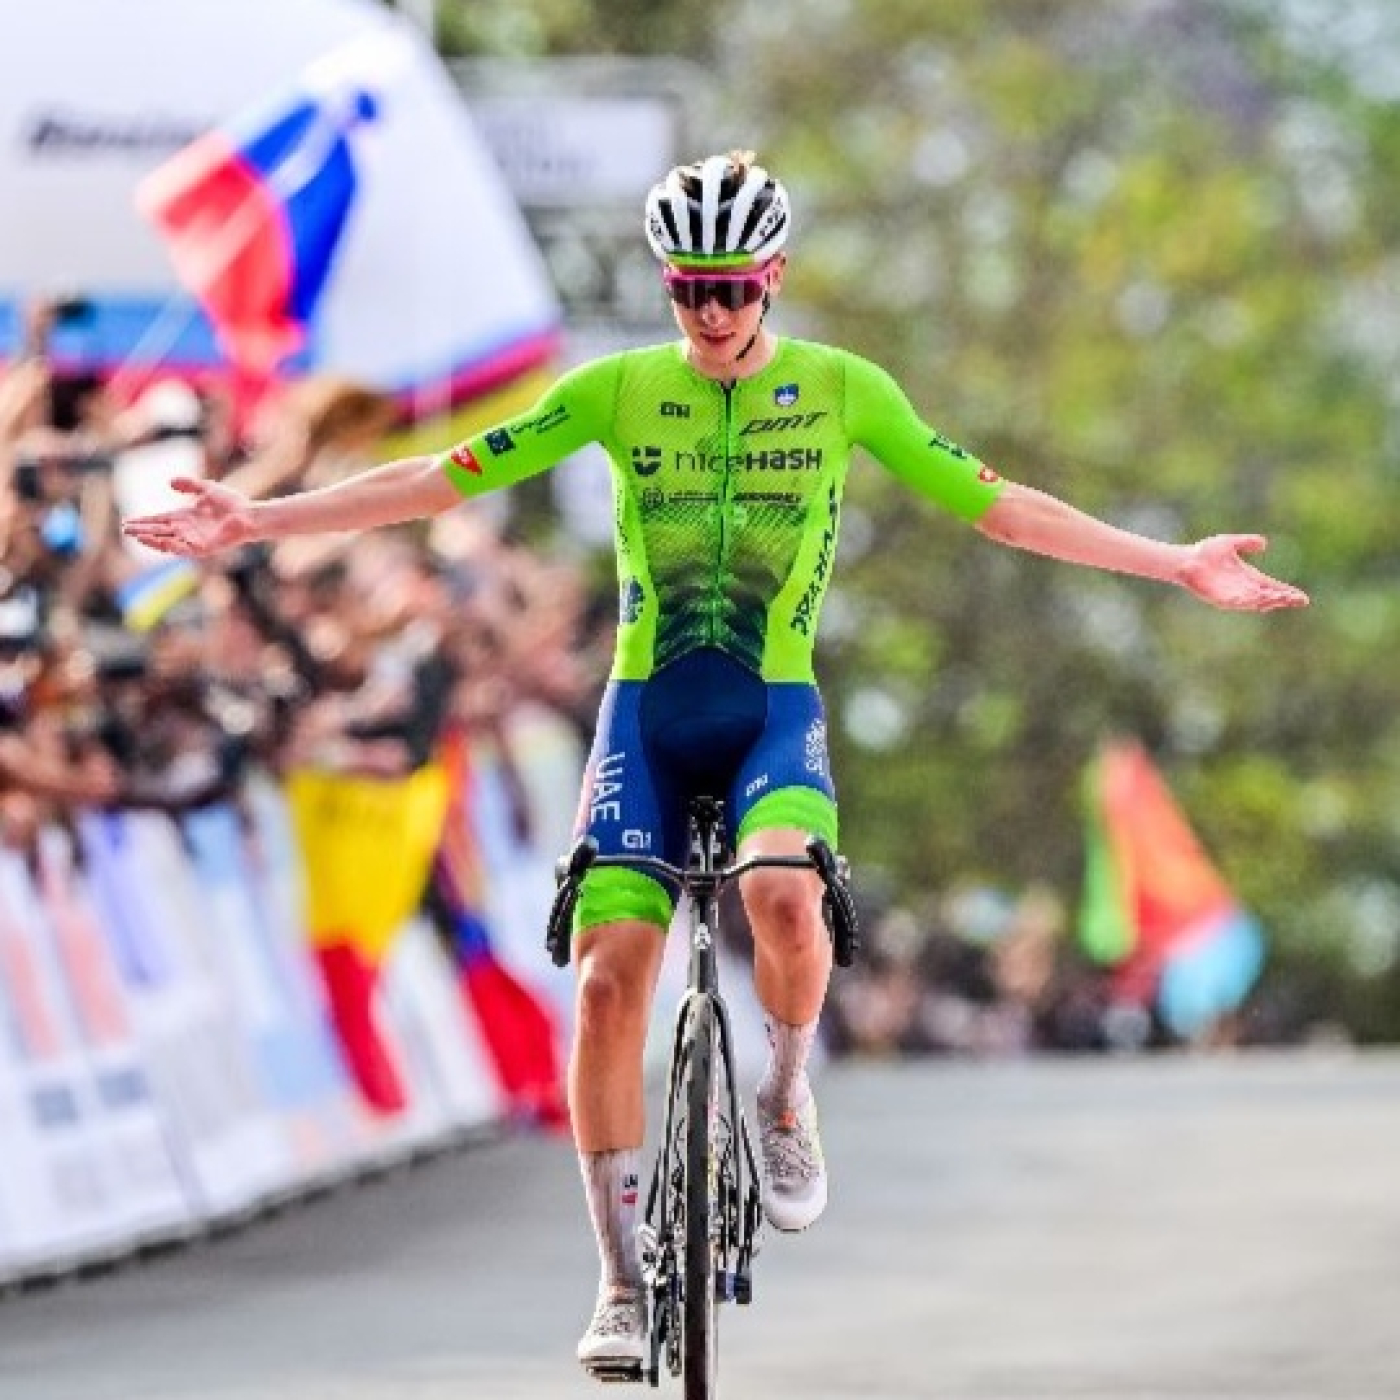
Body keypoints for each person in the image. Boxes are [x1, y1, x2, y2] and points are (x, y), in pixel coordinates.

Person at [123, 149, 1309, 1377]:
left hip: (768, 708)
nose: (710, 311)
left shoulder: (843, 388)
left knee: (784, 893)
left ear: (773, 278)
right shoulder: (617, 389)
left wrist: (1172, 562)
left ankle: (783, 1092)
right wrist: (257, 519)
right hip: (644, 710)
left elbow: (998, 505)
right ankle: (616, 1277)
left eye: (732, 288)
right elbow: (439, 480)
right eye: (689, 287)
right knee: (604, 981)